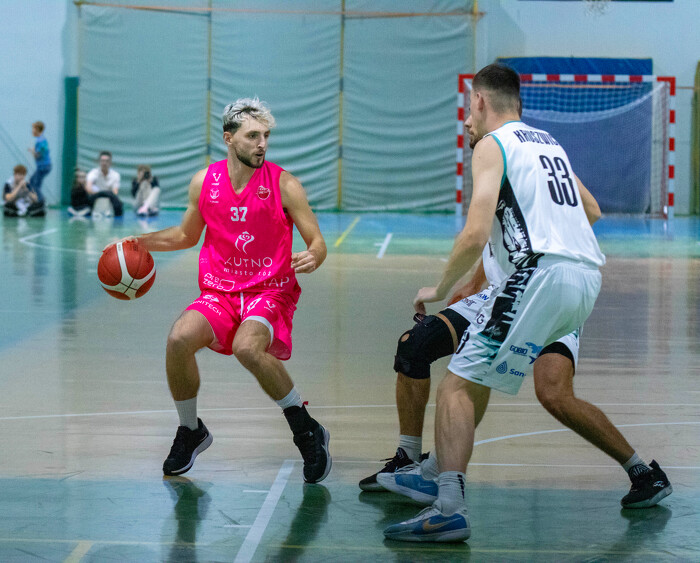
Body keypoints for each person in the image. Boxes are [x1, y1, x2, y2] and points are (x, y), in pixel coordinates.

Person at [382, 63, 671, 543]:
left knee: (455, 386)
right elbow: (592, 210)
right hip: (584, 278)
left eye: (468, 108)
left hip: (537, 276)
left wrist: (439, 286)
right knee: (484, 375)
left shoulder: (491, 145)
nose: (467, 120)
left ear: (479, 100)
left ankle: (448, 504)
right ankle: (434, 471)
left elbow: (475, 233)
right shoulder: (548, 144)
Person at [120, 98, 331, 484]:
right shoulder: (205, 182)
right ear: (229, 138)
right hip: (220, 291)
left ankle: (305, 429)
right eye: (253, 136)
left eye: (266, 136)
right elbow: (186, 235)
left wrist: (315, 254)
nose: (262, 144)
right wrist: (139, 243)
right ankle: (191, 430)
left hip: (269, 289)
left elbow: (317, 240)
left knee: (246, 348)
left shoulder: (284, 184)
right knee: (178, 339)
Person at [86, 151, 124, 217]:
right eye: (102, 161)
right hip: (95, 195)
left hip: (110, 197)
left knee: (117, 203)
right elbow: (88, 188)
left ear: (110, 163)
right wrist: (100, 194)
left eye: (107, 161)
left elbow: (115, 192)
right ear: (99, 162)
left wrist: (106, 194)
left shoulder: (115, 175)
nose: (104, 163)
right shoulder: (93, 173)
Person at [27, 121, 51, 202]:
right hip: (43, 166)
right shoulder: (41, 139)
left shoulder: (40, 141)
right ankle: (37, 199)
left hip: (43, 167)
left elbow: (39, 154)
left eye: (33, 129)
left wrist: (33, 151)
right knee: (32, 183)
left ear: (37, 129)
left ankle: (41, 201)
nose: (32, 131)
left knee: (34, 184)